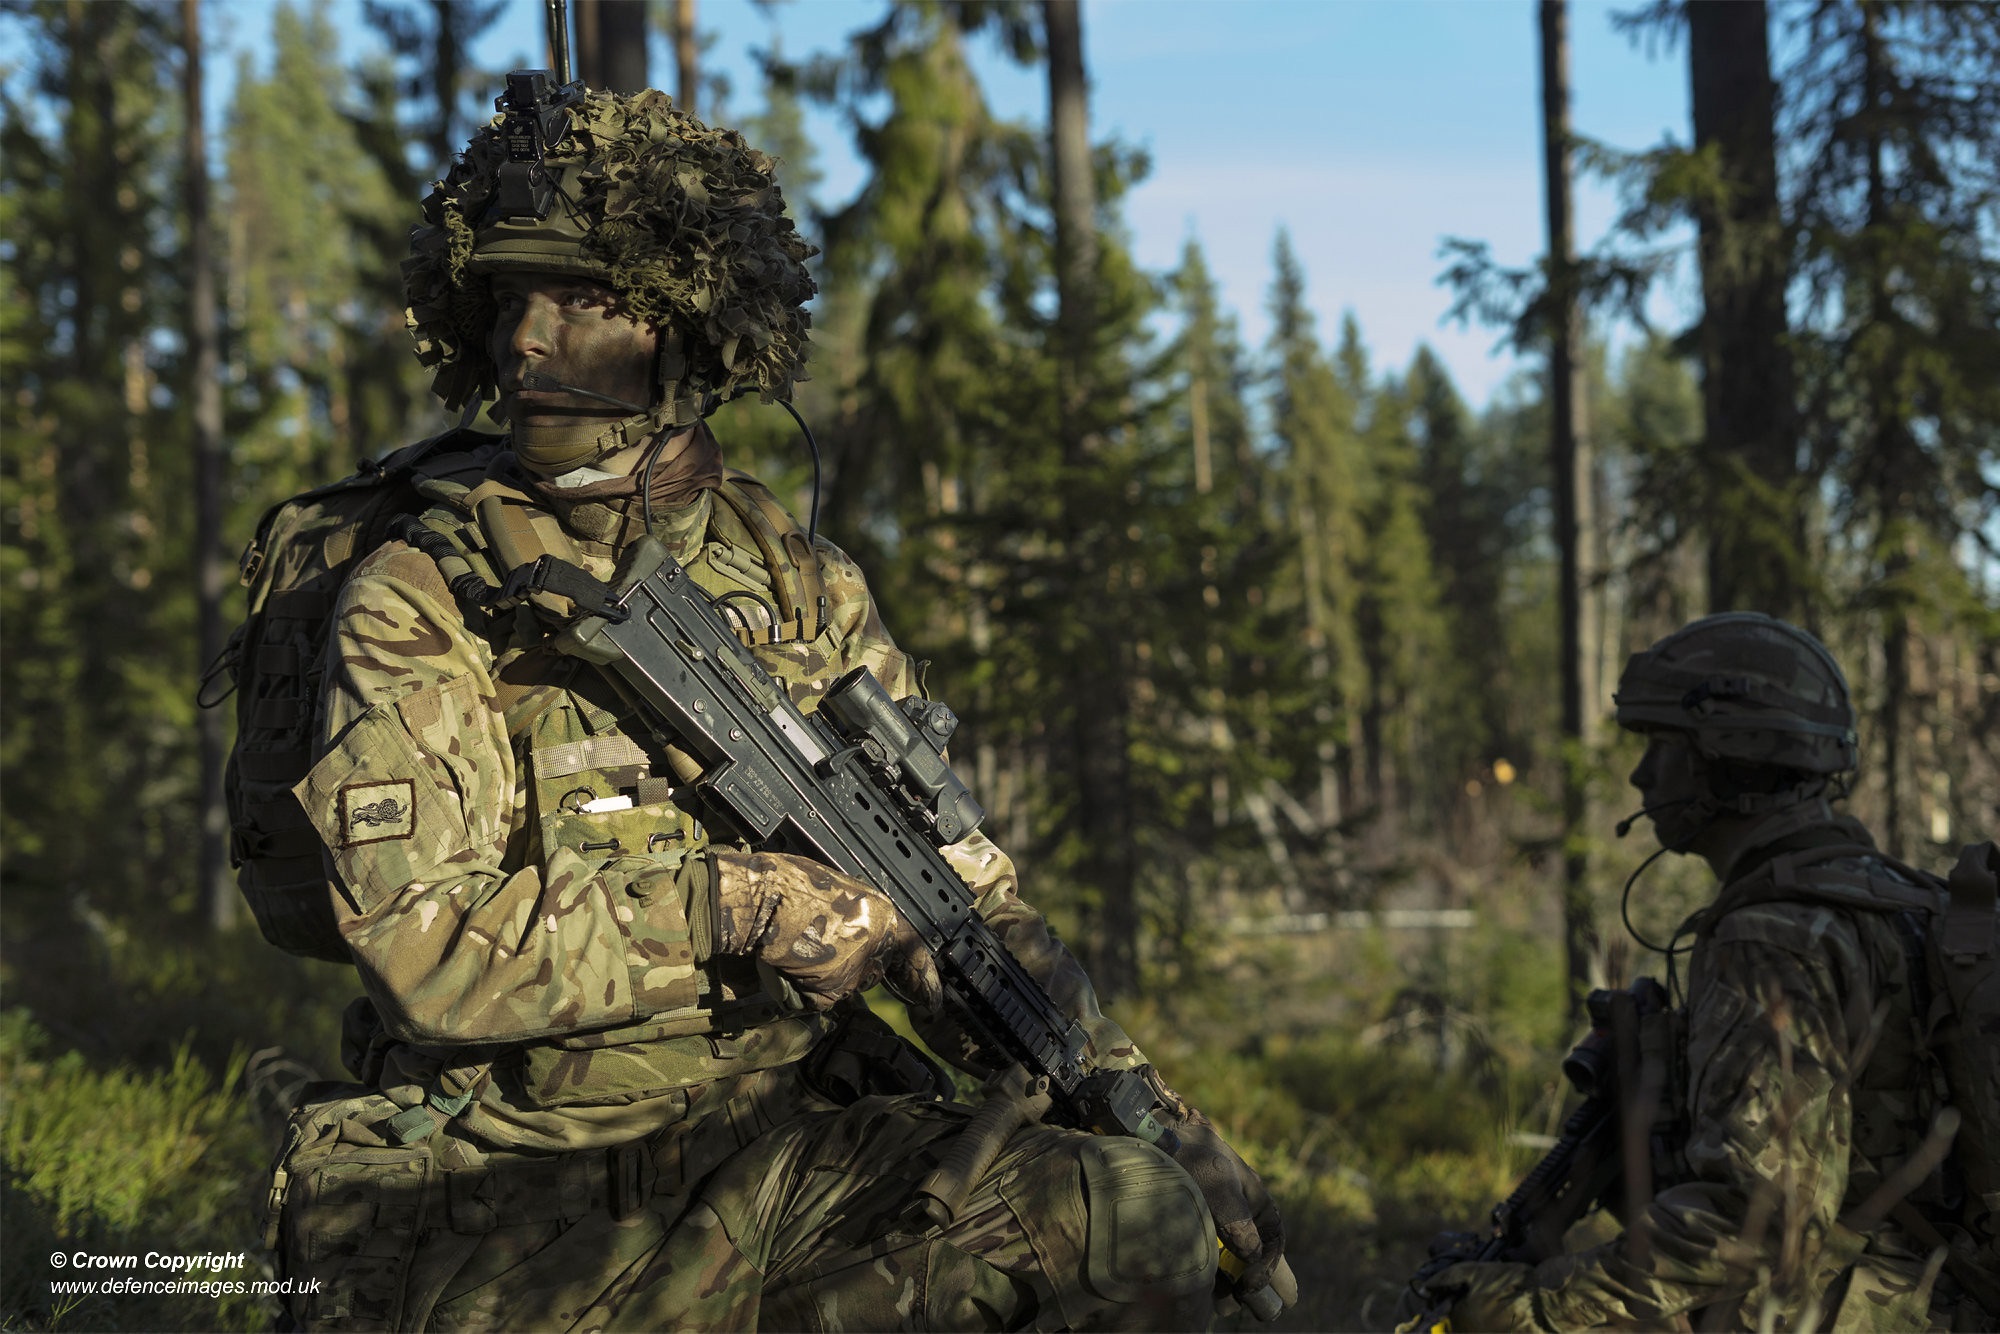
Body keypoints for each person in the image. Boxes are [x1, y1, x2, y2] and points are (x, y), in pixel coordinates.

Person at [264, 83, 1287, 1331]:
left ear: (684, 330)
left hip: (782, 1156)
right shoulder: (424, 591)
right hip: (529, 1200)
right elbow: (422, 950)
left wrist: (1153, 1112)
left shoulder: (800, 582)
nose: (525, 339)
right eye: (508, 299)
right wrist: (740, 904)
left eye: (578, 298)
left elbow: (966, 898)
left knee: (1125, 1209)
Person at [1410, 612, 1992, 1331]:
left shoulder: (1771, 938)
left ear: (1731, 755)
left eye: (1663, 746)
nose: (1641, 774)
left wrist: (1539, 1306)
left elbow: (1758, 1223)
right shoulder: (1908, 898)